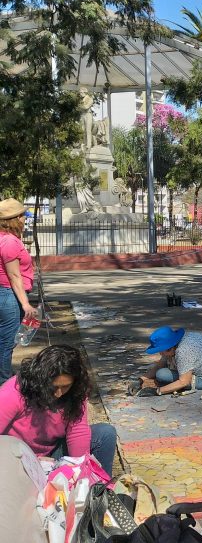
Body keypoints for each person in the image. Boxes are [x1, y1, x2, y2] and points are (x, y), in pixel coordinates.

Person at [0, 345, 116, 475]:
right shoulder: (12, 393)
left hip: (52, 453)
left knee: (105, 433)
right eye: (53, 387)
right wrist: (31, 460)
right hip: (17, 457)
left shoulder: (76, 392)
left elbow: (77, 431)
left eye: (65, 386)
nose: (58, 393)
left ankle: (101, 490)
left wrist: (80, 471)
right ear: (40, 380)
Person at [0, 199, 37, 386]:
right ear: (14, 219)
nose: (24, 219)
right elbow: (14, 276)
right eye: (22, 215)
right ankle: (4, 383)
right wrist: (25, 303)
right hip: (9, 296)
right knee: (6, 344)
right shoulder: (9, 242)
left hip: (5, 294)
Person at [140, 326, 202, 393]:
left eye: (161, 352)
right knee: (160, 368)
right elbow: (160, 364)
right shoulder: (177, 341)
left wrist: (158, 391)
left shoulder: (183, 351)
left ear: (169, 348)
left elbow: (184, 382)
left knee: (161, 375)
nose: (160, 354)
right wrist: (141, 379)